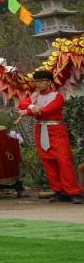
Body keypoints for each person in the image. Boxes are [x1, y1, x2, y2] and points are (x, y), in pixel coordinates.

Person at [19, 70, 83, 203]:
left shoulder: (57, 96)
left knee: (64, 162)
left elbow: (48, 110)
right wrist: (32, 107)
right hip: (41, 130)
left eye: (41, 81)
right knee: (48, 162)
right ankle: (59, 191)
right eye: (36, 81)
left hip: (56, 130)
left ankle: (73, 192)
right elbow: (22, 104)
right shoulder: (35, 96)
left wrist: (28, 111)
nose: (38, 83)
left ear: (49, 82)